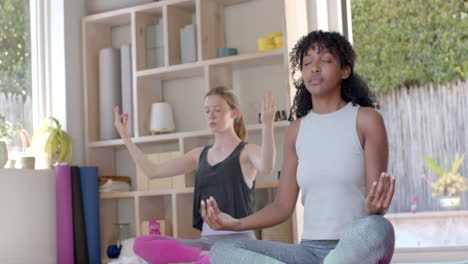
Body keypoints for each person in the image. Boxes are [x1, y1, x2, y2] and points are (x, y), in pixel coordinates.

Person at [202, 30, 396, 264]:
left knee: (377, 227)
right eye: (307, 63)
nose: (314, 68)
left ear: (345, 70)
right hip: (309, 252)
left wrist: (375, 209)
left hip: (354, 246)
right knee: (222, 250)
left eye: (325, 60)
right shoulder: (297, 130)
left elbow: (376, 203)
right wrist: (237, 223)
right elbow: (283, 205)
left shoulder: (366, 120)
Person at [113, 86, 277, 262]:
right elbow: (152, 171)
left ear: (234, 113)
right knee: (141, 243)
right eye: (207, 110)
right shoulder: (199, 155)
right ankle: (205, 256)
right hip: (206, 243)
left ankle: (211, 258)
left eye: (218, 109)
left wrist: (267, 125)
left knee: (209, 261)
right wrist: (125, 137)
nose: (211, 115)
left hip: (239, 243)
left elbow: (267, 166)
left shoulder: (246, 152)